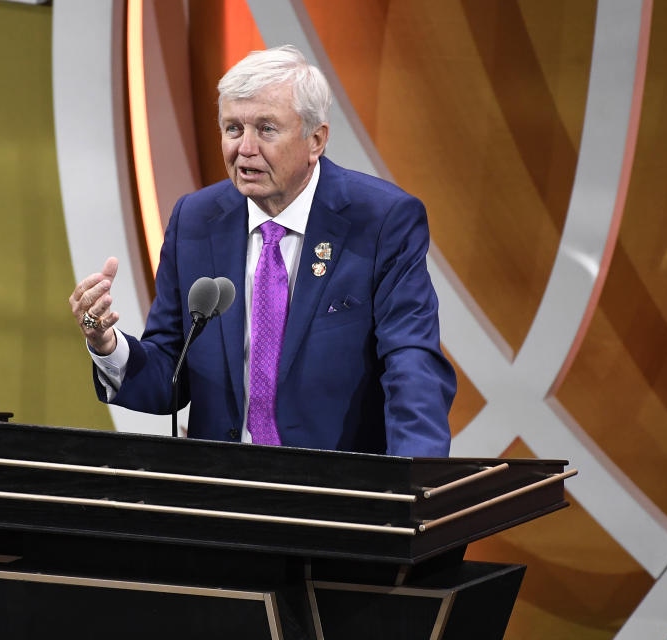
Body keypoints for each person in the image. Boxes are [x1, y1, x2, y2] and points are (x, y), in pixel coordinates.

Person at [69, 45, 455, 457]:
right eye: (233, 129)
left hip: (337, 494)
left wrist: (414, 481)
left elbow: (411, 361)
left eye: (266, 129)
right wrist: (108, 344)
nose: (245, 148)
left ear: (316, 140)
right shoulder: (196, 220)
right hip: (221, 493)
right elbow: (170, 374)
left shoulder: (380, 220)